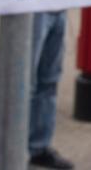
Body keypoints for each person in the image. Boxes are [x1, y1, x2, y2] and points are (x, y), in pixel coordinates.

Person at [28, 10, 74, 169]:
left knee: (49, 81)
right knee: (24, 84)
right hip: (33, 12)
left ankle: (38, 148)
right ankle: (13, 149)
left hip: (58, 10)